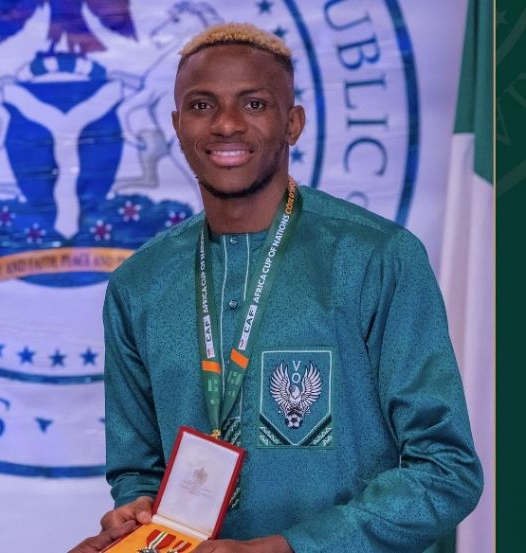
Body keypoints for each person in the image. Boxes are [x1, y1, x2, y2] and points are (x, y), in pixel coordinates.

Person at [72, 23, 483, 553]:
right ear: (177, 125)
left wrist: (287, 547)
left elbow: (445, 471)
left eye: (254, 104)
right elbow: (138, 473)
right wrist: (135, 517)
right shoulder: (140, 283)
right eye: (201, 106)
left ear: (293, 123)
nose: (225, 124)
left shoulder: (377, 258)